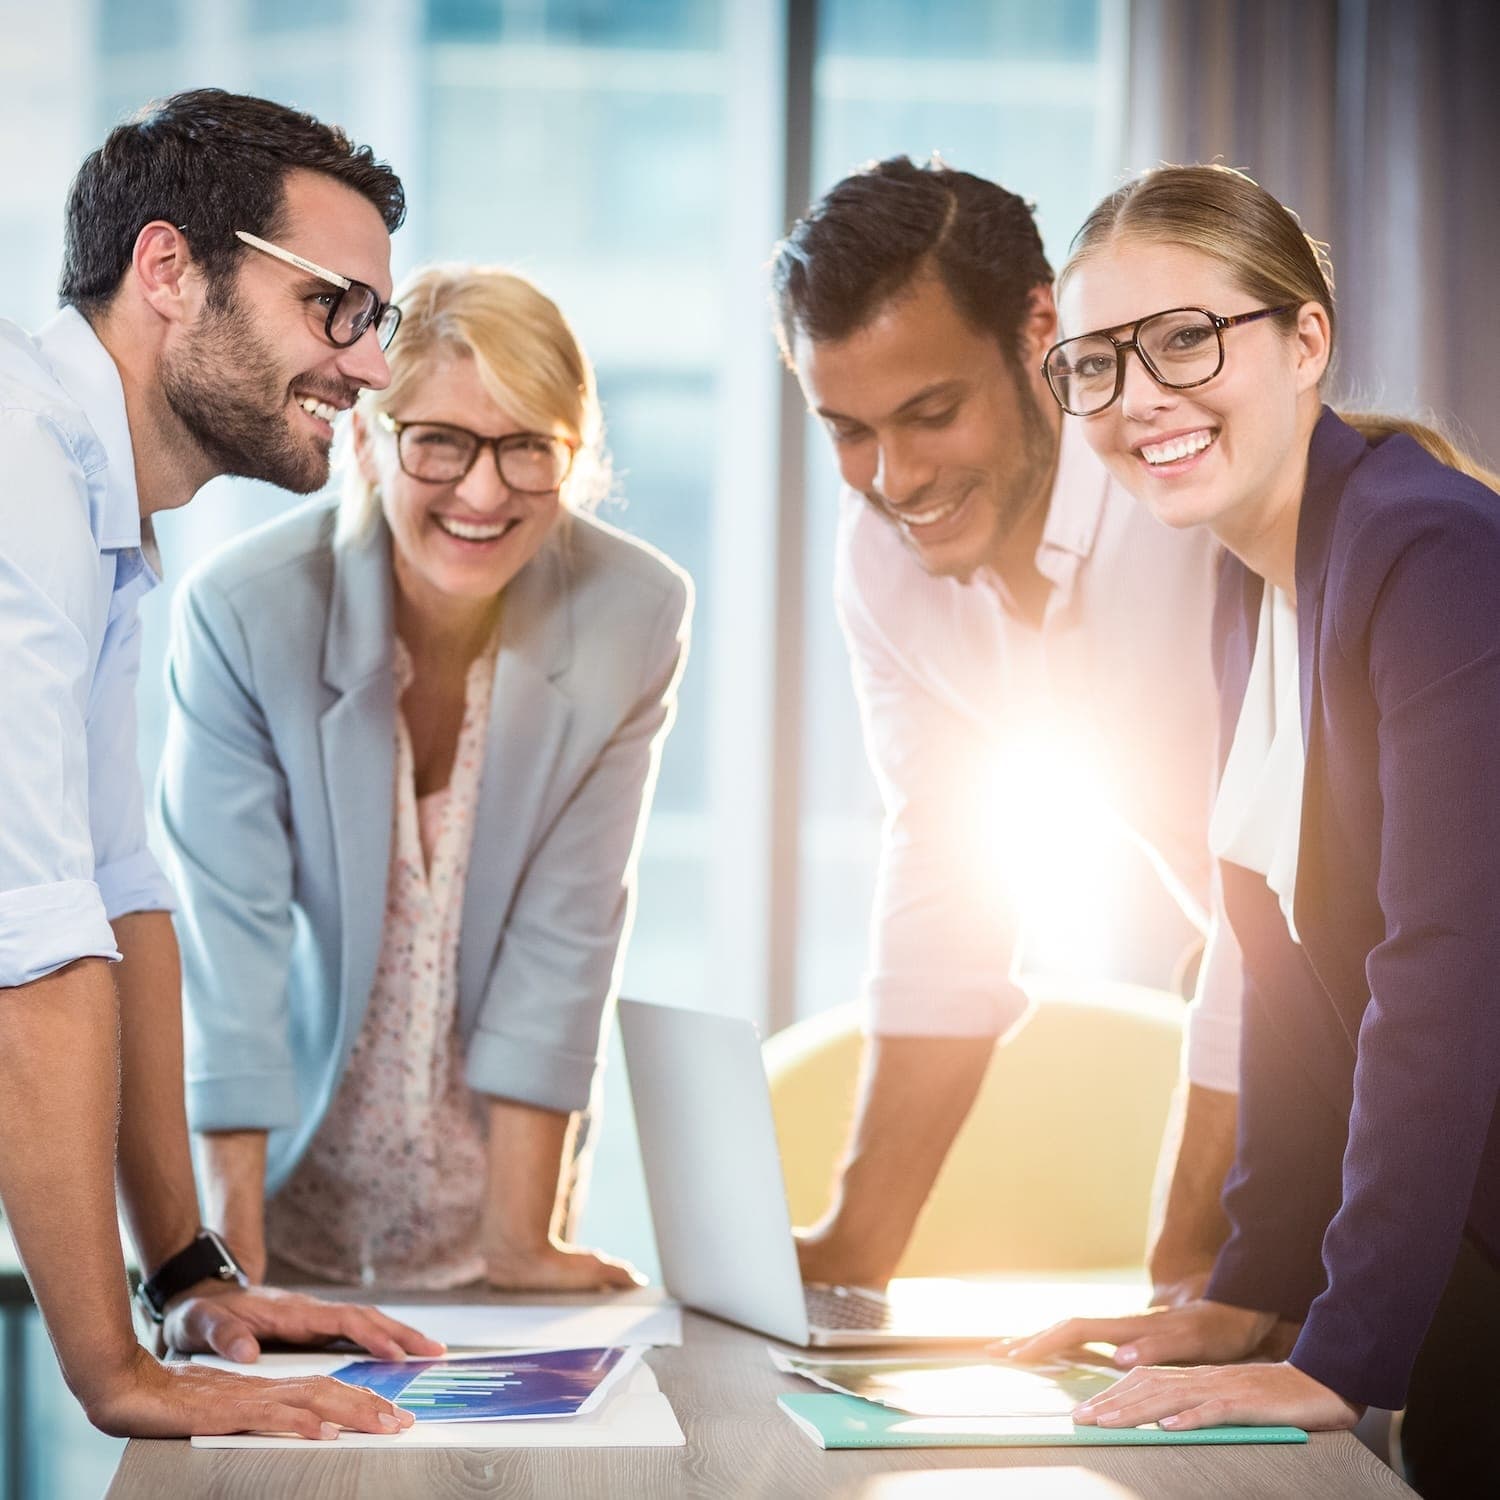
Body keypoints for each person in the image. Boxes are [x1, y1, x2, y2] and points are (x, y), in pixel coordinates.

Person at [1003, 163, 1500, 1499]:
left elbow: (1446, 972)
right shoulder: (1256, 577)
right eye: (1097, 363)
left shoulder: (1433, 552)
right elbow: (1279, 973)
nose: (1139, 397)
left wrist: (1341, 1355)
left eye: (1184, 338)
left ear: (1306, 340)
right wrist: (1250, 1291)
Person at [0, 89, 448, 1440]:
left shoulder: (96, 506)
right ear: (167, 269)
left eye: (378, 321)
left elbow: (117, 894)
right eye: (334, 307)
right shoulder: (18, 470)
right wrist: (118, 1376)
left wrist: (189, 1273)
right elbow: (28, 952)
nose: (371, 370)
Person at [770, 156, 1251, 1306]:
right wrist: (852, 1252)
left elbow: (1276, 899)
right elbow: (946, 879)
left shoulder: (1192, 502)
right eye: (848, 429)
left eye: (933, 413)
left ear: (1045, 331)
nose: (895, 479)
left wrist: (1189, 1260)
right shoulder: (882, 557)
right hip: (1319, 1008)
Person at [159, 264, 691, 1296]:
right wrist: (229, 1268)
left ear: (574, 457)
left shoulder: (634, 613)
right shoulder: (245, 612)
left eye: (528, 446)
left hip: (489, 1213)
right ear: (365, 439)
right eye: (439, 440)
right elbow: (232, 951)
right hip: (270, 1199)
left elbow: (566, 936)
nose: (484, 491)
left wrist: (519, 1246)